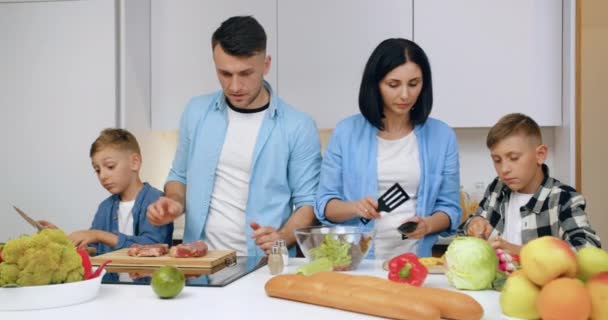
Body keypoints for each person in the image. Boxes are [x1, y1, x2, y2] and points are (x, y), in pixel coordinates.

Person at [146, 16, 321, 257]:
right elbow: (179, 175)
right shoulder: (196, 112)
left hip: (263, 264)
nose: (235, 86)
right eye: (225, 74)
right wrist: (174, 202)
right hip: (201, 262)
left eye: (246, 73)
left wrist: (281, 238)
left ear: (266, 64)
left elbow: (308, 203)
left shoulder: (297, 126)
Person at [315, 38, 462, 259]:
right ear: (375, 84)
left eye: (414, 84)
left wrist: (428, 224)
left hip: (415, 260)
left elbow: (451, 209)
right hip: (356, 261)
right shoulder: (346, 132)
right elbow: (325, 205)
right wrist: (355, 208)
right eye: (393, 85)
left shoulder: (442, 137)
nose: (405, 95)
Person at [459, 113, 601, 254]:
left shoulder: (563, 198)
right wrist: (473, 224)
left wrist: (523, 252)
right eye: (497, 160)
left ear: (540, 155)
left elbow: (588, 247)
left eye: (513, 158)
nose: (504, 169)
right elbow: (464, 232)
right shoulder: (497, 188)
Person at [42, 128, 173, 255]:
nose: (103, 176)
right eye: (97, 170)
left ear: (135, 162)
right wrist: (63, 240)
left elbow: (153, 246)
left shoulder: (157, 201)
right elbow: (93, 250)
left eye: (110, 166)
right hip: (109, 279)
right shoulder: (105, 208)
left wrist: (99, 235)